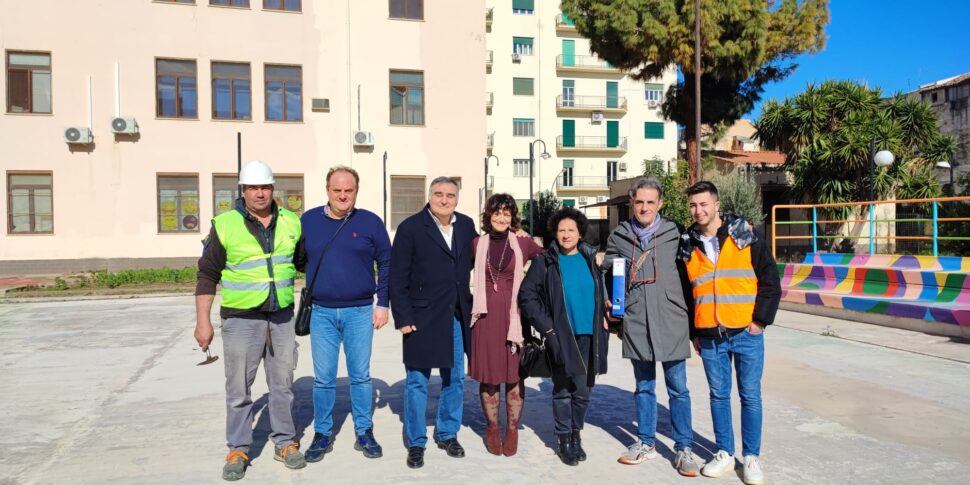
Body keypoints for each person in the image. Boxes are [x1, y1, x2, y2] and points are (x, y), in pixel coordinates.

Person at [194, 159, 306, 481]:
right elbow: (207, 275)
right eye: (253, 187)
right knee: (239, 389)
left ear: (273, 189)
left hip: (281, 318)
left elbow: (302, 262)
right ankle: (239, 448)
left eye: (265, 187)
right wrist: (203, 321)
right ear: (242, 191)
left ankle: (285, 443)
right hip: (242, 320)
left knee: (283, 385)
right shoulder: (225, 224)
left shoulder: (291, 223)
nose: (260, 193)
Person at [679, 181, 781, 485]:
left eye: (704, 204)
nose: (698, 211)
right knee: (718, 395)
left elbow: (770, 280)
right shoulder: (687, 243)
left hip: (745, 331)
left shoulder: (744, 234)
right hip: (709, 334)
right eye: (693, 206)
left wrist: (759, 321)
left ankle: (751, 457)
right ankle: (724, 452)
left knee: (750, 395)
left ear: (717, 204)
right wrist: (693, 331)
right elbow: (687, 292)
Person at [603, 177, 702, 475]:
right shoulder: (619, 235)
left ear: (660, 204)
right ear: (632, 203)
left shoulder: (676, 233)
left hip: (671, 318)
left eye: (650, 202)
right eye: (639, 202)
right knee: (644, 387)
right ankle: (646, 443)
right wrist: (610, 302)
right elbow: (607, 272)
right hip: (635, 319)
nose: (645, 207)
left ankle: (683, 447)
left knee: (678, 388)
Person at [300, 166, 391, 463]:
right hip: (322, 313)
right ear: (327, 190)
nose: (342, 195)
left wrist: (383, 303)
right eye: (337, 190)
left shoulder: (370, 223)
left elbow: (387, 263)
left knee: (360, 377)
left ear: (356, 191)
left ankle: (364, 430)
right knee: (323, 379)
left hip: (360, 312)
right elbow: (294, 258)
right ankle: (323, 433)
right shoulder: (308, 221)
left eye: (348, 190)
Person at [389, 176, 478, 469]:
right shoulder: (411, 228)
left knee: (455, 378)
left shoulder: (465, 226)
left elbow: (477, 259)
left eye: (450, 195)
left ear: (457, 198)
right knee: (417, 381)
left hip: (455, 315)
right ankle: (416, 442)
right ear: (429, 195)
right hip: (421, 317)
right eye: (438, 194)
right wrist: (402, 317)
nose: (444, 199)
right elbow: (398, 276)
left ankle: (447, 433)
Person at [518, 207, 609, 466]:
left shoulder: (591, 259)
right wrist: (546, 326)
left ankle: (576, 432)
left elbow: (603, 289)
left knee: (583, 391)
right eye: (561, 230)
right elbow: (527, 296)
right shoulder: (545, 261)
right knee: (562, 390)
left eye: (571, 230)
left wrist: (607, 308)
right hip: (560, 335)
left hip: (591, 334)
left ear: (580, 233)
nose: (566, 235)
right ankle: (564, 438)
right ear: (555, 234)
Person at [469, 193, 543, 457]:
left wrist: (532, 292)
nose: (501, 218)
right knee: (489, 378)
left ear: (513, 218)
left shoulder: (522, 244)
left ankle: (512, 429)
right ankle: (491, 427)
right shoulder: (477, 244)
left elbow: (547, 258)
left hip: (514, 318)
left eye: (507, 213)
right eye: (496, 213)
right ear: (488, 216)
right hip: (485, 319)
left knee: (514, 377)